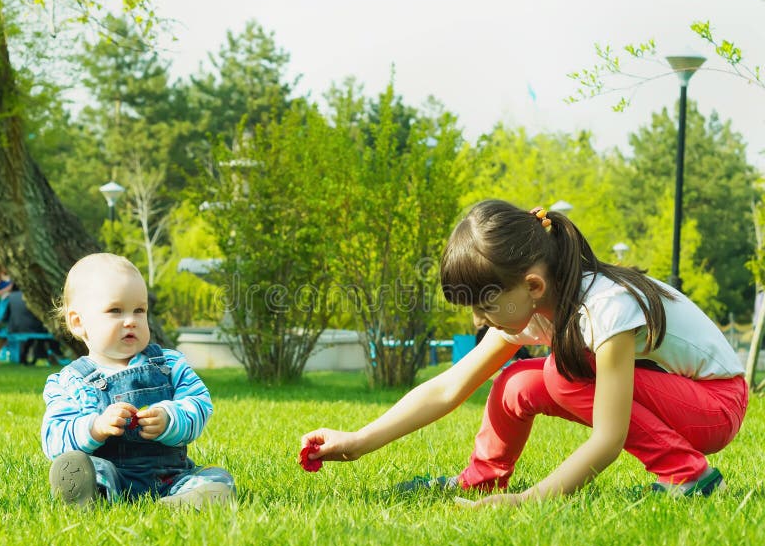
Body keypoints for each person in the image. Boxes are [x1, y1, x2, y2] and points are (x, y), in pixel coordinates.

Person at [301, 200, 748, 506]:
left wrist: (528, 501)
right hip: (682, 400)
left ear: (531, 285)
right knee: (516, 381)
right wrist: (358, 441)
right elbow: (450, 386)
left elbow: (608, 439)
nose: (480, 319)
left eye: (485, 304)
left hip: (715, 405)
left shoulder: (603, 308)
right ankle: (480, 481)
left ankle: (688, 476)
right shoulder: (537, 306)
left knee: (561, 373)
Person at [42, 253, 235, 508]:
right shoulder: (69, 381)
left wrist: (169, 417)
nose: (131, 320)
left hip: (171, 477)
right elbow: (54, 440)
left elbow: (200, 405)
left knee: (218, 478)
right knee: (86, 468)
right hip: (112, 473)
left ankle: (180, 502)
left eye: (139, 310)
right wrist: (96, 427)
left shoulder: (169, 364)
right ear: (79, 323)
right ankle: (94, 495)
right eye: (115, 310)